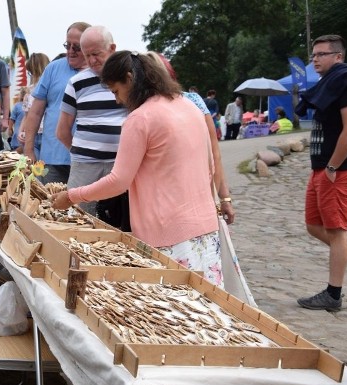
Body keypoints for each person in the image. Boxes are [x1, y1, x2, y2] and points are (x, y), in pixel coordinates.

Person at [51, 51, 222, 287]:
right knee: (206, 312)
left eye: (116, 91)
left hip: (168, 234)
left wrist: (72, 196)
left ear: (130, 79)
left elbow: (118, 181)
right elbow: (210, 164)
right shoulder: (188, 106)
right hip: (206, 228)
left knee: (175, 311)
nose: (118, 100)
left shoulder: (140, 119)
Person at [295, 34, 347, 311]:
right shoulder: (330, 82)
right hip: (320, 168)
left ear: (337, 56)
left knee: (337, 231)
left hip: (336, 169)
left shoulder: (345, 80)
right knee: (313, 226)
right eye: (313, 55)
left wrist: (333, 165)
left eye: (321, 54)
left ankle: (333, 294)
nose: (315, 59)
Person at [146, 51, 235, 224]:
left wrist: (224, 198)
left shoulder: (192, 100)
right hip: (165, 203)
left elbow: (214, 153)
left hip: (196, 196)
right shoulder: (140, 108)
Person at [56, 26, 127, 218]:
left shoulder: (129, 79)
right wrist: (82, 151)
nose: (92, 61)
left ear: (112, 49)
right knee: (77, 217)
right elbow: (62, 131)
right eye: (87, 55)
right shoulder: (76, 83)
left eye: (96, 54)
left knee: (121, 220)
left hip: (121, 164)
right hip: (85, 165)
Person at [23, 22, 91, 184]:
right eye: (68, 45)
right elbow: (35, 112)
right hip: (53, 157)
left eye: (76, 47)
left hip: (88, 160)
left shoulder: (100, 71)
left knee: (84, 208)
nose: (70, 51)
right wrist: (28, 149)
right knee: (48, 205)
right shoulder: (53, 68)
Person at [17, 52, 50, 159]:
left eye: (31, 72)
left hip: (47, 135)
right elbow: (26, 116)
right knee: (34, 169)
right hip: (33, 135)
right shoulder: (29, 92)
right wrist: (21, 131)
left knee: (45, 170)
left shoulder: (51, 90)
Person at [8, 87, 28, 153]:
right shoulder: (31, 105)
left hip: (18, 133)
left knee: (16, 153)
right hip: (26, 133)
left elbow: (12, 119)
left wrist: (10, 129)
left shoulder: (17, 106)